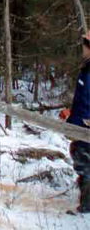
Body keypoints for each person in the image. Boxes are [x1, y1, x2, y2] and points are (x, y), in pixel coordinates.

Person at [65, 31, 90, 213]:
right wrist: (71, 119)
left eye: (84, 44)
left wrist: (78, 124)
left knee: (84, 161)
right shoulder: (86, 69)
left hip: (86, 128)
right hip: (81, 124)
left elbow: (86, 103)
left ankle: (86, 208)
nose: (82, 47)